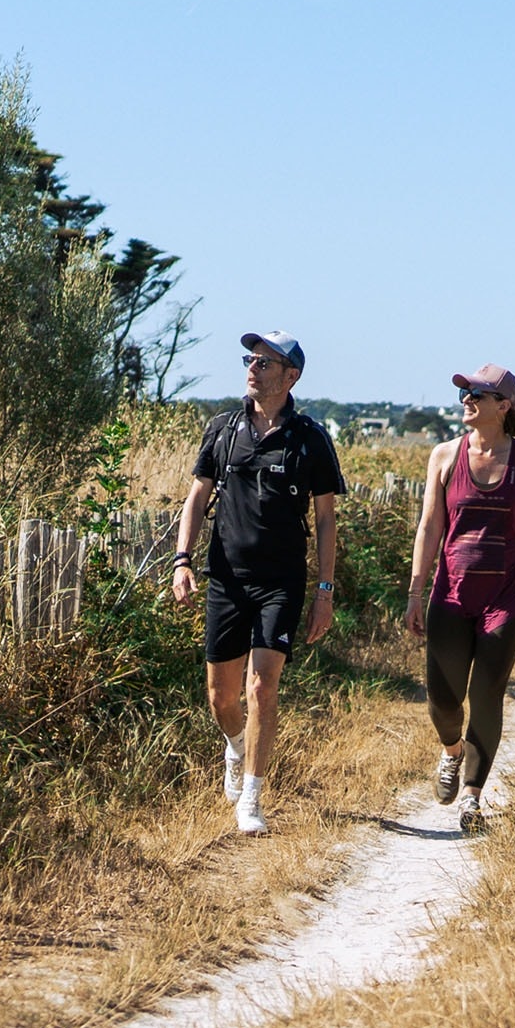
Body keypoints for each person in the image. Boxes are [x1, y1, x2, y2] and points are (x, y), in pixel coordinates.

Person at [172, 331, 345, 836]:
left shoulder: (310, 438)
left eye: (266, 363)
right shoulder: (222, 429)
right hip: (225, 579)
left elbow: (327, 520)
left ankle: (251, 797)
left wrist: (324, 592)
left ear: (291, 376)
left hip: (281, 582)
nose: (253, 368)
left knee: (261, 685)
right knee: (220, 697)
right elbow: (196, 495)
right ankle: (236, 743)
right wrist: (182, 560)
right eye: (250, 359)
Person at [404, 364, 515, 833]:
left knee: (486, 693)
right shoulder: (444, 456)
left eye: (478, 393)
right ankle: (451, 752)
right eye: (465, 391)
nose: (466, 399)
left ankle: (472, 797)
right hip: (451, 592)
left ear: (504, 405)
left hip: (509, 595)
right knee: (442, 701)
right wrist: (415, 590)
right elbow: (430, 527)